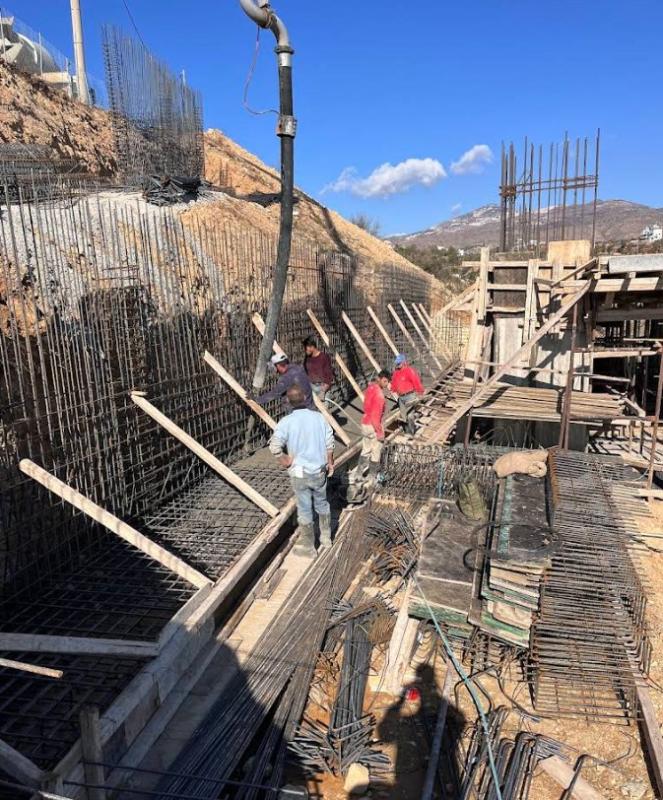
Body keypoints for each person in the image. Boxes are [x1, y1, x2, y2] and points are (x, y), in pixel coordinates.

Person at [269, 384, 335, 557]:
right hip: (319, 471)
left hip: (299, 473)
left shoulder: (286, 422)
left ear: (288, 402)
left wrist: (285, 460)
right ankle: (326, 539)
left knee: (305, 508)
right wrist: (330, 462)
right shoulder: (319, 418)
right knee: (322, 503)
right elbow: (329, 442)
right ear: (305, 398)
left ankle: (308, 547)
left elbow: (274, 446)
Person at [358, 370, 391, 476]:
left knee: (366, 449)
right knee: (376, 452)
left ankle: (358, 474)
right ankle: (372, 477)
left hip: (365, 423)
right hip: (373, 426)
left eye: (387, 382)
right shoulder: (379, 396)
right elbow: (375, 417)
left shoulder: (370, 388)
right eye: (385, 381)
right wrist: (380, 433)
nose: (386, 384)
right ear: (379, 379)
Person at [391, 353, 424, 435]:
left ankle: (411, 432)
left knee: (410, 415)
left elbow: (416, 381)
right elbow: (394, 383)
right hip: (401, 398)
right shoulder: (396, 373)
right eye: (397, 363)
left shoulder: (409, 371)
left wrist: (420, 391)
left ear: (403, 362)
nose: (397, 365)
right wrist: (393, 389)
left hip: (410, 396)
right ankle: (407, 431)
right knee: (404, 416)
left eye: (399, 363)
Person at [302, 335, 334, 402]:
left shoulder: (324, 357)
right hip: (311, 387)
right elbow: (305, 372)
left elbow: (329, 375)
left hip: (322, 387)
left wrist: (323, 391)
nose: (304, 350)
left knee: (323, 408)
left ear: (312, 347)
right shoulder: (307, 358)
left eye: (306, 348)